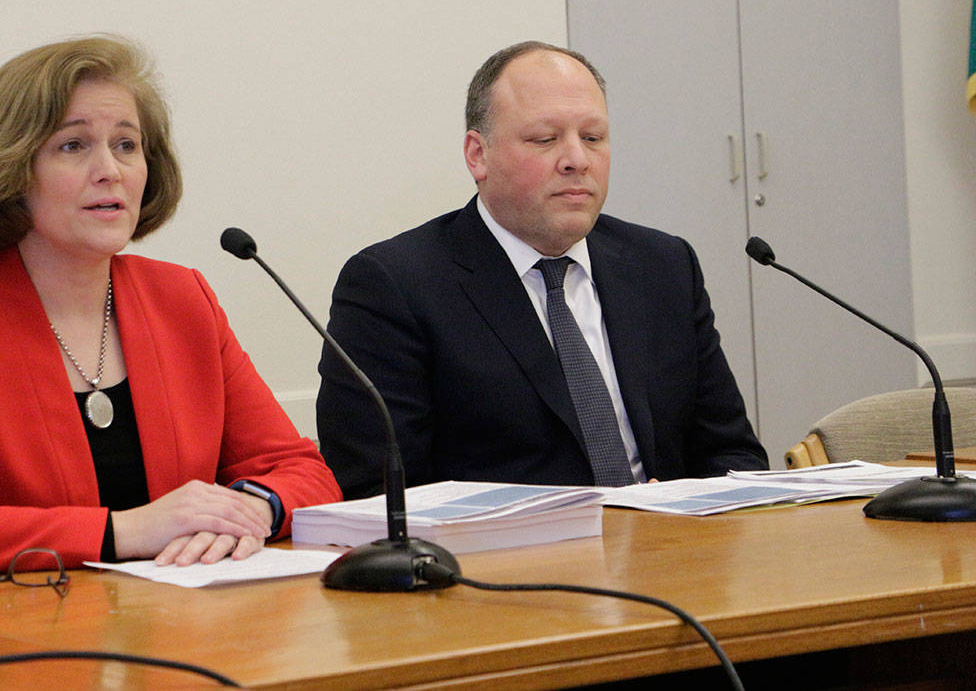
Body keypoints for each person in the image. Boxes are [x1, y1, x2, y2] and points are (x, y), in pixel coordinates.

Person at [0, 35, 341, 583]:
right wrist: (124, 532)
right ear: (11, 169)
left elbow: (300, 471)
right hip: (19, 645)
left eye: (127, 145)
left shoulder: (182, 300)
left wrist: (248, 509)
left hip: (189, 635)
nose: (110, 170)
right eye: (73, 146)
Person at [316, 41, 767, 499]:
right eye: (545, 139)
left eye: (593, 137)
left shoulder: (662, 265)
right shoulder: (393, 285)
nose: (577, 160)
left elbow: (733, 455)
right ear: (478, 155)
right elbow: (380, 494)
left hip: (672, 553)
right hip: (506, 563)